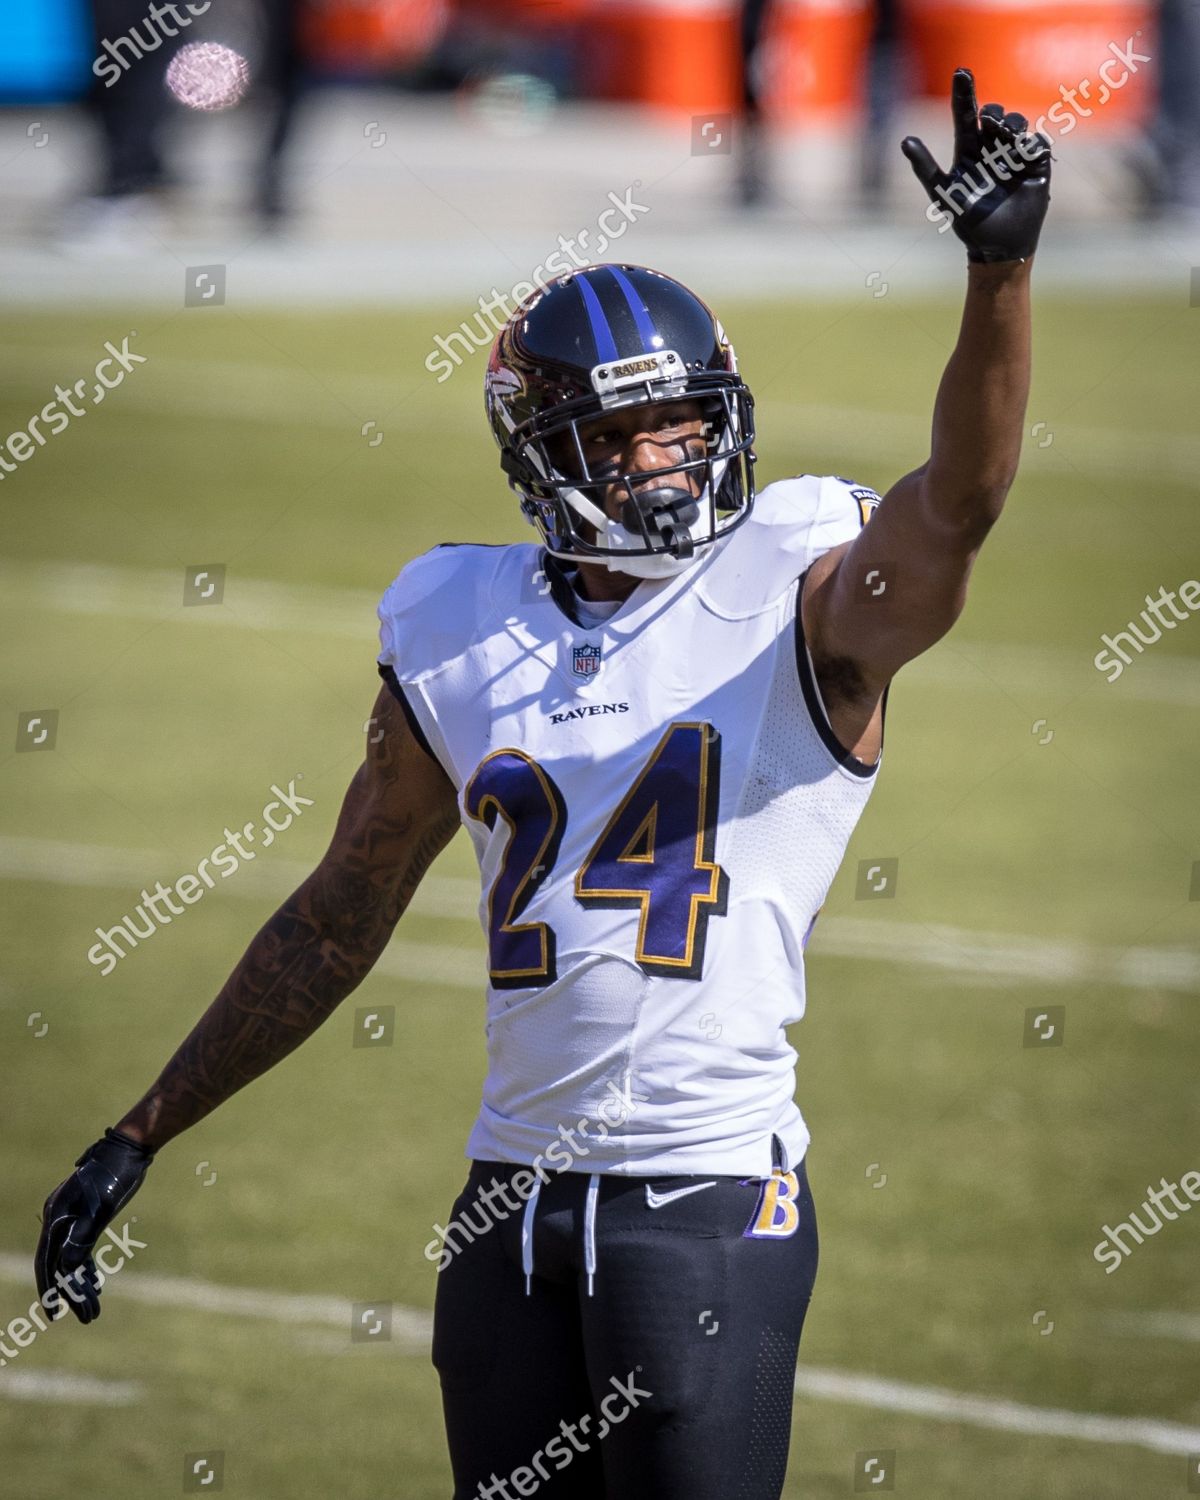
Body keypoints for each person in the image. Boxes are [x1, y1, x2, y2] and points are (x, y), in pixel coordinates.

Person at [36, 71, 1051, 1500]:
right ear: (538, 455)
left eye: (688, 427)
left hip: (707, 1201)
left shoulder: (801, 593)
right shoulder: (457, 623)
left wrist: (998, 273)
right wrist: (140, 1131)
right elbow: (339, 916)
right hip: (505, 1206)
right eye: (624, 439)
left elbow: (964, 502)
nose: (666, 466)